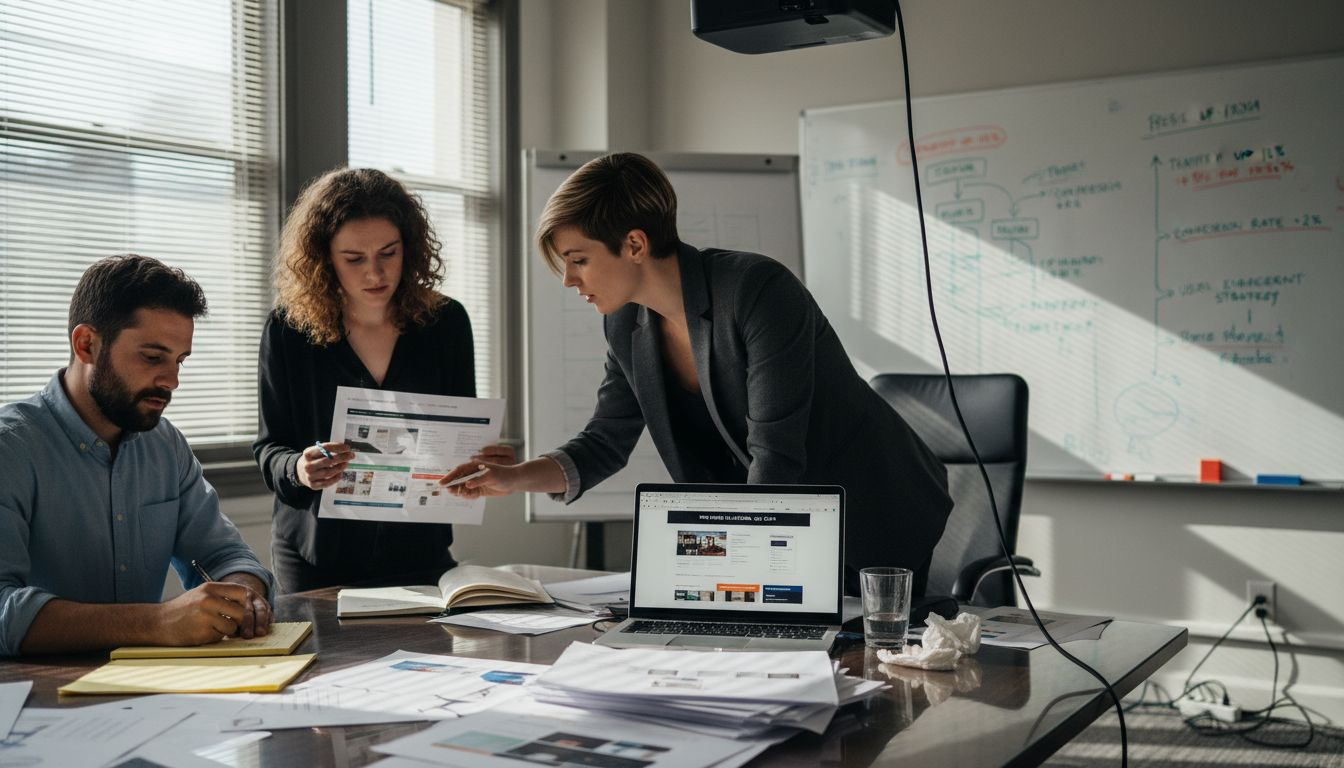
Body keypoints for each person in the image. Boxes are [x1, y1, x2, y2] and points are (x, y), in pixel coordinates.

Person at [442, 153, 952, 597]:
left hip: (872, 514)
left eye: (578, 260)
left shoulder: (757, 292)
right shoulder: (625, 323)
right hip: (778, 526)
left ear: (635, 245)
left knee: (874, 673)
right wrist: (511, 479)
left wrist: (721, 577)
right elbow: (604, 442)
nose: (570, 280)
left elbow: (775, 458)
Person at [0, 255, 275, 656]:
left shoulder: (165, 445)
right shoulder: (11, 449)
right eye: (152, 357)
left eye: (179, 360)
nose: (172, 381)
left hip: (149, 688)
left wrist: (244, 597)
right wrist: (159, 622)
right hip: (37, 698)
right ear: (86, 344)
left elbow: (224, 554)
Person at [254, 168, 486, 593]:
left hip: (419, 554)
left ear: (410, 248)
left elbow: (458, 436)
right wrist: (299, 470)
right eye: (354, 259)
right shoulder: (288, 330)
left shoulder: (446, 323)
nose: (375, 274)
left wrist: (477, 464)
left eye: (388, 253)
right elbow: (270, 447)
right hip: (316, 557)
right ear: (324, 258)